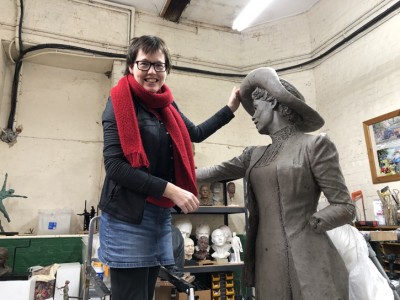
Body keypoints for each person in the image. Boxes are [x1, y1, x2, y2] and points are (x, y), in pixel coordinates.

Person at [97, 35, 240, 300]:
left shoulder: (167, 105)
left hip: (158, 215)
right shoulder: (118, 102)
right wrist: (171, 190)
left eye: (159, 65)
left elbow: (195, 132)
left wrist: (230, 108)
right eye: (144, 64)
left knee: (147, 292)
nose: (152, 72)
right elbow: (115, 166)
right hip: (128, 216)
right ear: (131, 66)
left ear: (166, 69)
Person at [196, 67, 355, 299]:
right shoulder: (254, 155)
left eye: (256, 107)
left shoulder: (314, 146)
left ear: (274, 103)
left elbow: (345, 207)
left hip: (307, 253)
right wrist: (167, 174)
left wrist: (313, 222)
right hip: (266, 255)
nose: (252, 115)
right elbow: (213, 172)